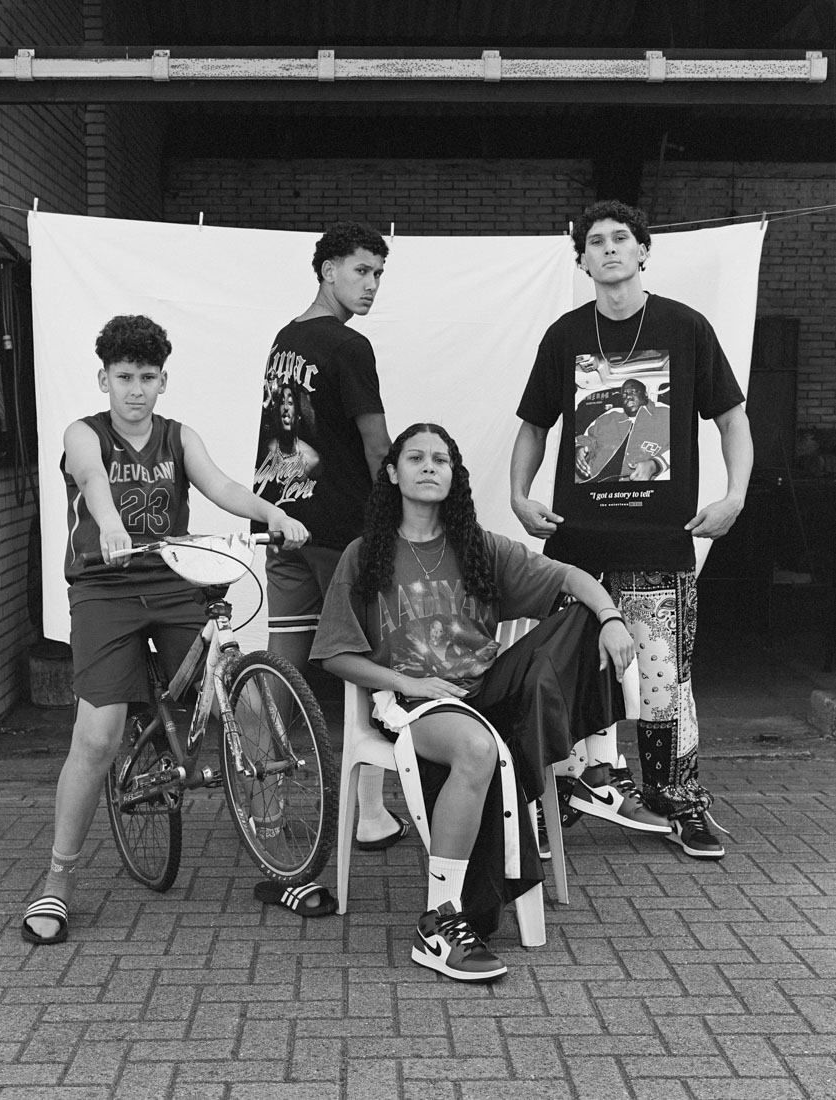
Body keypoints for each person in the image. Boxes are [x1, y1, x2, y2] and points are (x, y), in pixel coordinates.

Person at [20, 315, 309, 946]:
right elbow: (93, 479)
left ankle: (281, 852)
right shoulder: (84, 433)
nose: (136, 390)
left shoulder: (179, 437)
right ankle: (58, 879)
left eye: (148, 377)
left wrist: (272, 513)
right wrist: (109, 524)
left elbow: (222, 485)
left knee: (243, 698)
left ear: (163, 381)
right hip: (104, 587)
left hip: (175, 579)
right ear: (104, 379)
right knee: (97, 736)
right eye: (124, 377)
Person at [311, 423, 634, 982]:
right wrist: (408, 682)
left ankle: (578, 763)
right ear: (393, 473)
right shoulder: (365, 555)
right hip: (413, 702)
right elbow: (335, 654)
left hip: (487, 691)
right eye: (416, 458)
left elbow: (570, 576)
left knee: (581, 620)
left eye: (440, 459)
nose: (428, 467)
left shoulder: (478, 547)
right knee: (479, 749)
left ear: (454, 475)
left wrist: (610, 617)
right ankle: (439, 919)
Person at [511, 199, 754, 859]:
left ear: (643, 251)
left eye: (621, 238)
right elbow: (534, 425)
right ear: (582, 259)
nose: (610, 249)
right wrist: (518, 495)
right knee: (562, 675)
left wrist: (734, 496)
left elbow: (732, 419)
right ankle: (559, 798)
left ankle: (677, 801)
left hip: (658, 542)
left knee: (662, 681)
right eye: (596, 241)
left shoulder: (684, 327)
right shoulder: (565, 335)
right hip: (575, 547)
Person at [252, 222, 405, 852]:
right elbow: (377, 443)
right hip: (341, 532)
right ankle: (369, 814)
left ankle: (262, 807)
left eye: (378, 274)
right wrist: (395, 519)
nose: (371, 285)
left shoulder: (285, 339)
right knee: (368, 665)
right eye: (360, 270)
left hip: (282, 524)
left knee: (281, 667)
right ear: (327, 270)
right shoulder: (349, 345)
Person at [575, 377, 670, 483]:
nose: (628, 396)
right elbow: (588, 438)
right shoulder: (609, 416)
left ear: (645, 394)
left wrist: (655, 465)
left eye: (633, 392)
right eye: (624, 395)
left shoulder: (665, 415)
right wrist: (579, 448)